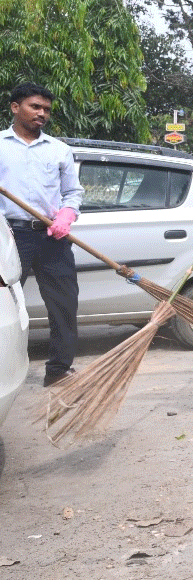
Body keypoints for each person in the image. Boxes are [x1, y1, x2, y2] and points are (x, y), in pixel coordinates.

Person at [1, 82, 84, 387]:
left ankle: (59, 370)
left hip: (52, 237)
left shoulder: (59, 149)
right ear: (15, 107)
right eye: (35, 107)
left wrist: (67, 214)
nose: (41, 114)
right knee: (5, 309)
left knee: (64, 305)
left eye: (46, 109)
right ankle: (5, 373)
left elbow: (73, 192)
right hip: (11, 237)